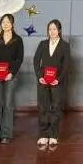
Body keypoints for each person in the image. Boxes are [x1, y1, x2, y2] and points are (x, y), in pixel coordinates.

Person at [33, 19, 71, 147]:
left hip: (57, 82)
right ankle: (43, 134)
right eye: (50, 29)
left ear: (59, 30)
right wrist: (39, 76)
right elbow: (36, 60)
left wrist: (58, 79)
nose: (52, 31)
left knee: (56, 108)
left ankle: (54, 135)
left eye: (54, 29)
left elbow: (66, 65)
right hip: (43, 81)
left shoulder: (65, 46)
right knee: (43, 107)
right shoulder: (43, 44)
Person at [0, 14, 24, 144]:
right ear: (0, 24)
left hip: (10, 76)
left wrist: (11, 73)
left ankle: (6, 134)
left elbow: (19, 59)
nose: (6, 24)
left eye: (8, 22)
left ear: (12, 24)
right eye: (3, 22)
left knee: (8, 105)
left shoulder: (18, 40)